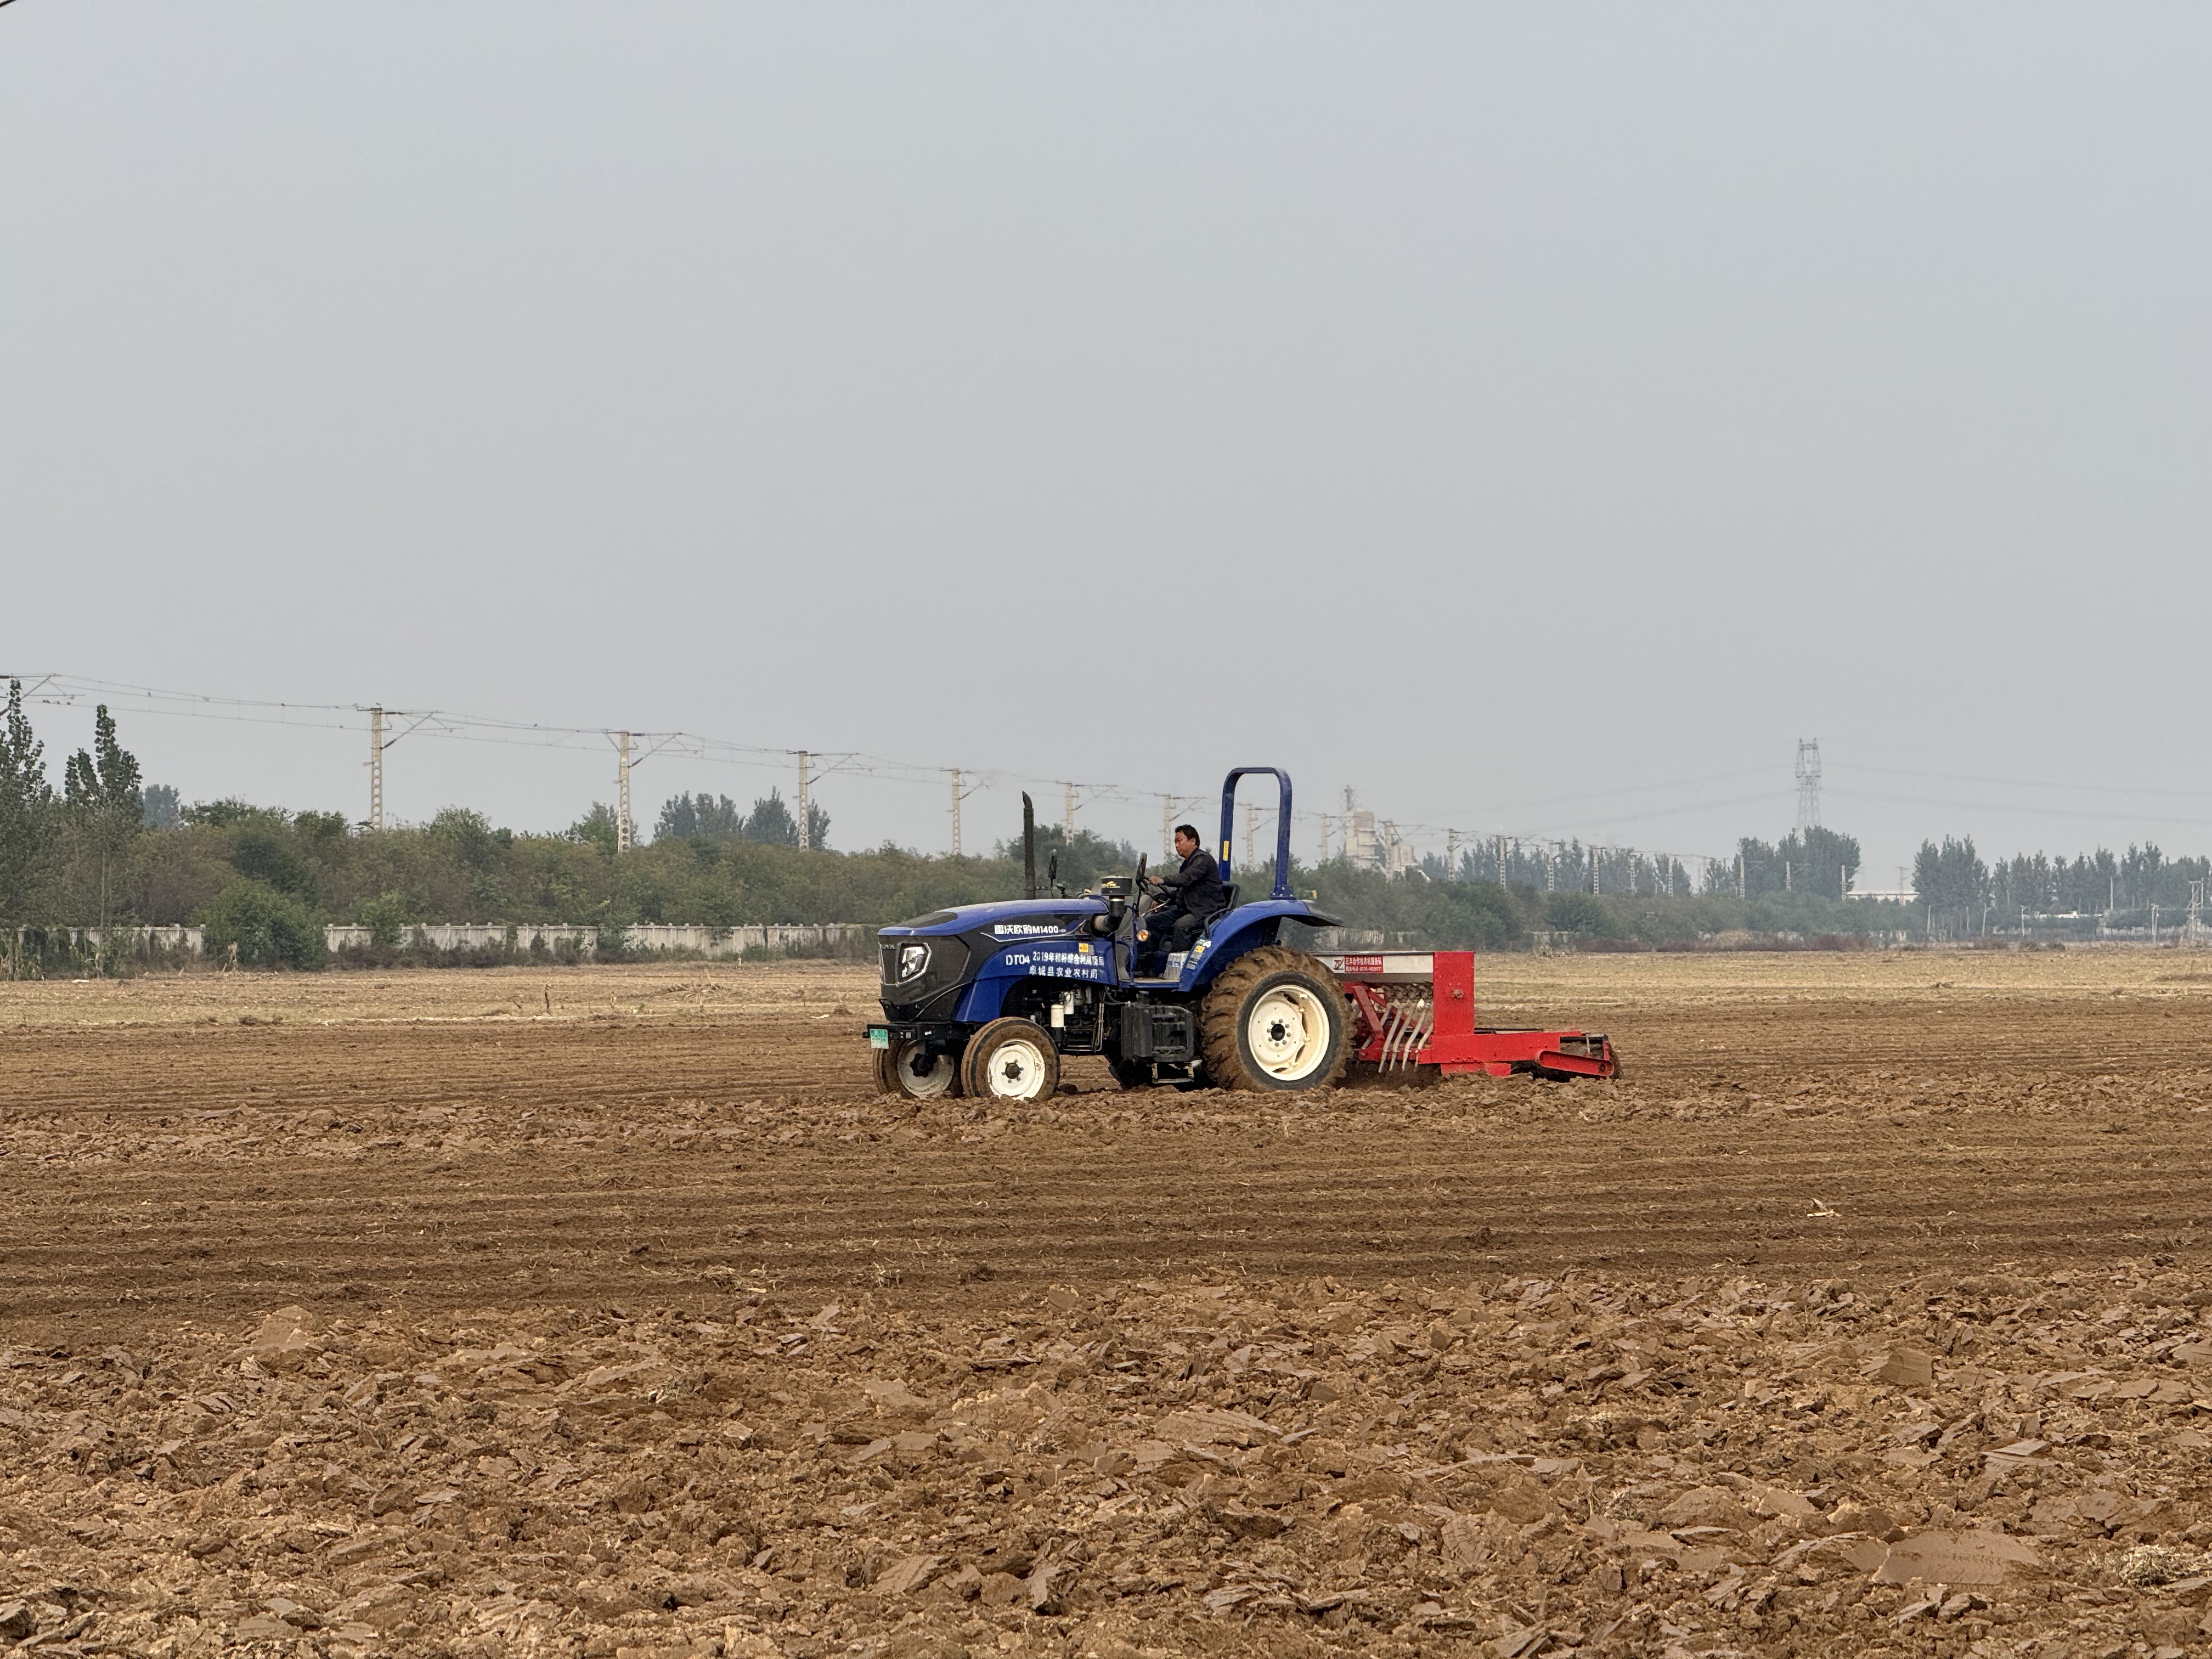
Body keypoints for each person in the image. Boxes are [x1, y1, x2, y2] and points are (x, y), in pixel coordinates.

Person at [1143, 823, 1226, 972]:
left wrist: (1163, 880)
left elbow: (1186, 879)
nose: (1177, 845)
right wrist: (1160, 898)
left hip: (1205, 910)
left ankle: (1176, 969)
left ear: (1193, 841)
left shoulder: (1202, 860)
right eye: (1175, 842)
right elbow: (1182, 892)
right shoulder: (1189, 863)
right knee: (1152, 921)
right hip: (1189, 908)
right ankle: (1149, 962)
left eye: (1179, 841)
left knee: (1182, 926)